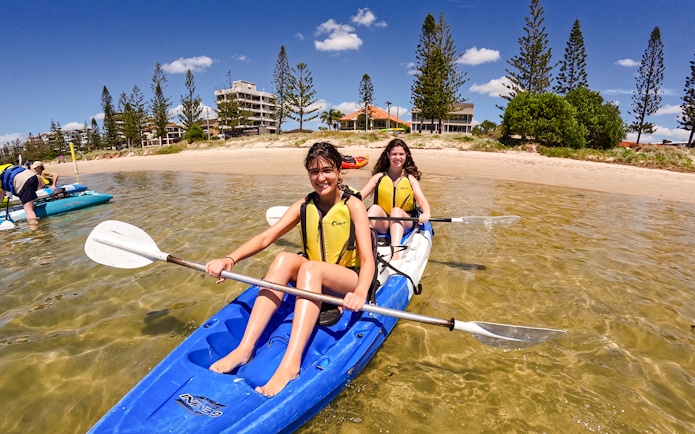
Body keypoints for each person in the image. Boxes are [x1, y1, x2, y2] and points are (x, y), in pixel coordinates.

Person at [204, 142, 375, 397]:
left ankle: (290, 364)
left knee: (311, 270)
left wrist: (360, 292)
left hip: (347, 279)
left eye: (327, 170)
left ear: (339, 171)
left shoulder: (353, 205)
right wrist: (231, 258)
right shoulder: (304, 206)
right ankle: (245, 348)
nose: (321, 178)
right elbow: (266, 237)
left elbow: (368, 258)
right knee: (284, 258)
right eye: (314, 172)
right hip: (315, 274)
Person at [359, 138, 431, 253]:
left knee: (396, 211)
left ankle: (395, 250)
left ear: (406, 155)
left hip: (404, 222)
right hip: (383, 223)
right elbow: (359, 196)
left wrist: (426, 213)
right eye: (394, 154)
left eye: (401, 154)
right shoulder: (378, 177)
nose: (398, 157)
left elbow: (422, 201)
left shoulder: (410, 179)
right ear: (388, 155)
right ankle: (364, 248)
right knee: (373, 209)